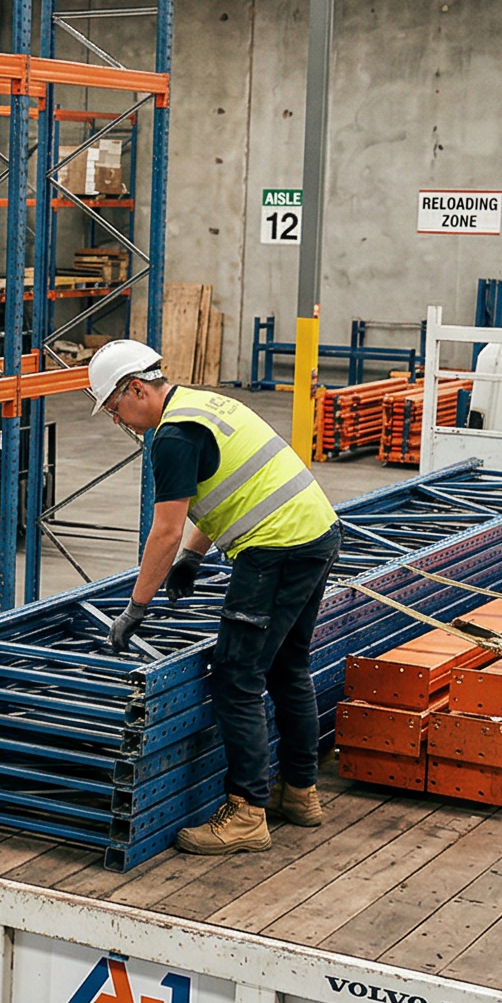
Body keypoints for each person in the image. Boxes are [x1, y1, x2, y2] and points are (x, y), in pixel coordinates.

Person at [90, 341, 343, 855]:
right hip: (315, 533)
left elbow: (164, 530)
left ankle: (247, 813)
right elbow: (230, 486)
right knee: (287, 666)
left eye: (115, 408)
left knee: (236, 675)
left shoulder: (173, 436)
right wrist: (193, 557)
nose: (118, 421)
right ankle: (300, 793)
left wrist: (136, 607)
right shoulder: (203, 404)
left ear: (136, 389)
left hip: (275, 550)